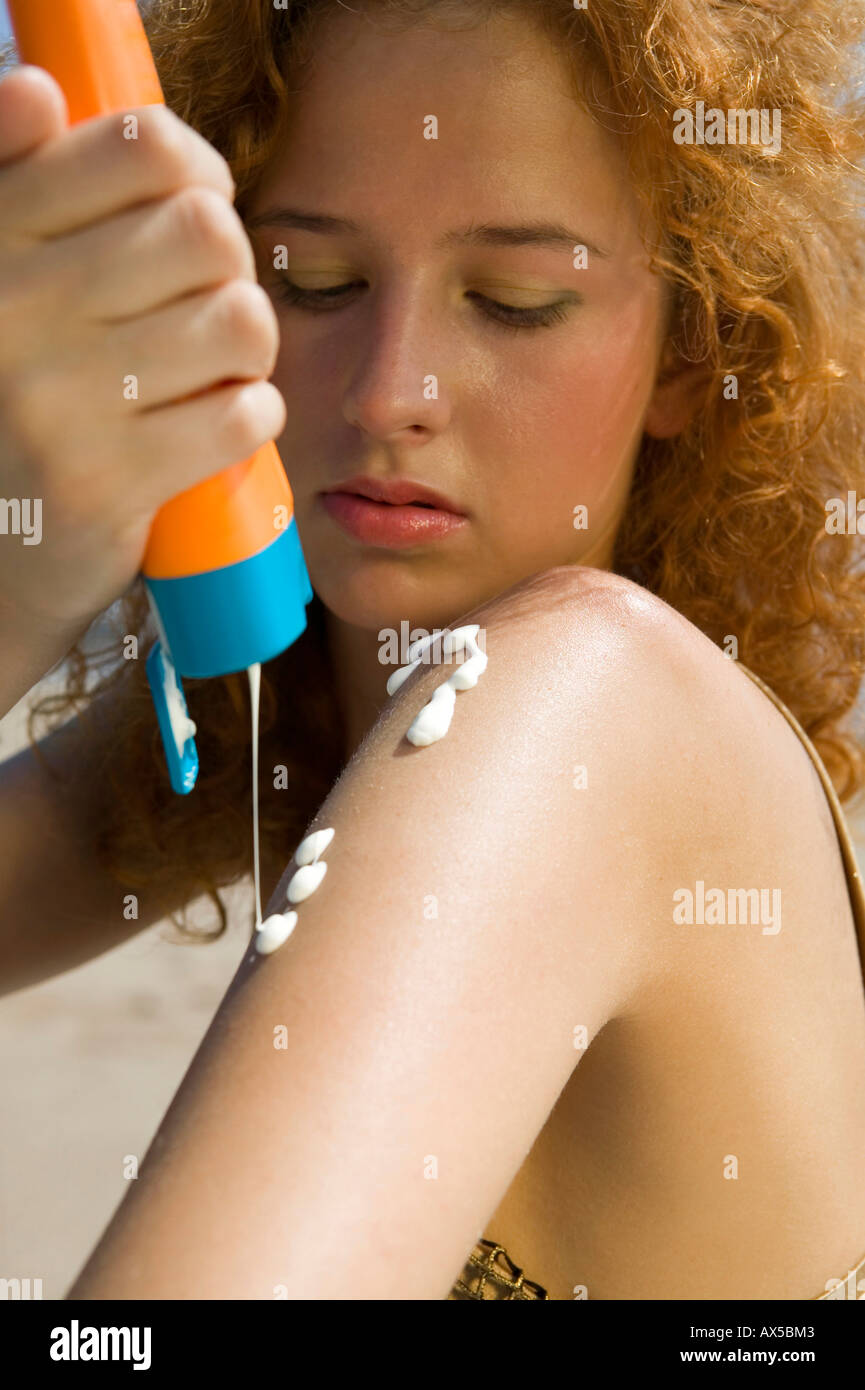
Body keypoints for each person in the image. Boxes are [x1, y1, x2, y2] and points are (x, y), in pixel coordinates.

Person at [0, 0, 864, 1300]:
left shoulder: (579, 707)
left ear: (694, 347)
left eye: (517, 302)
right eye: (313, 282)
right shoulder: (276, 722)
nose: (387, 389)